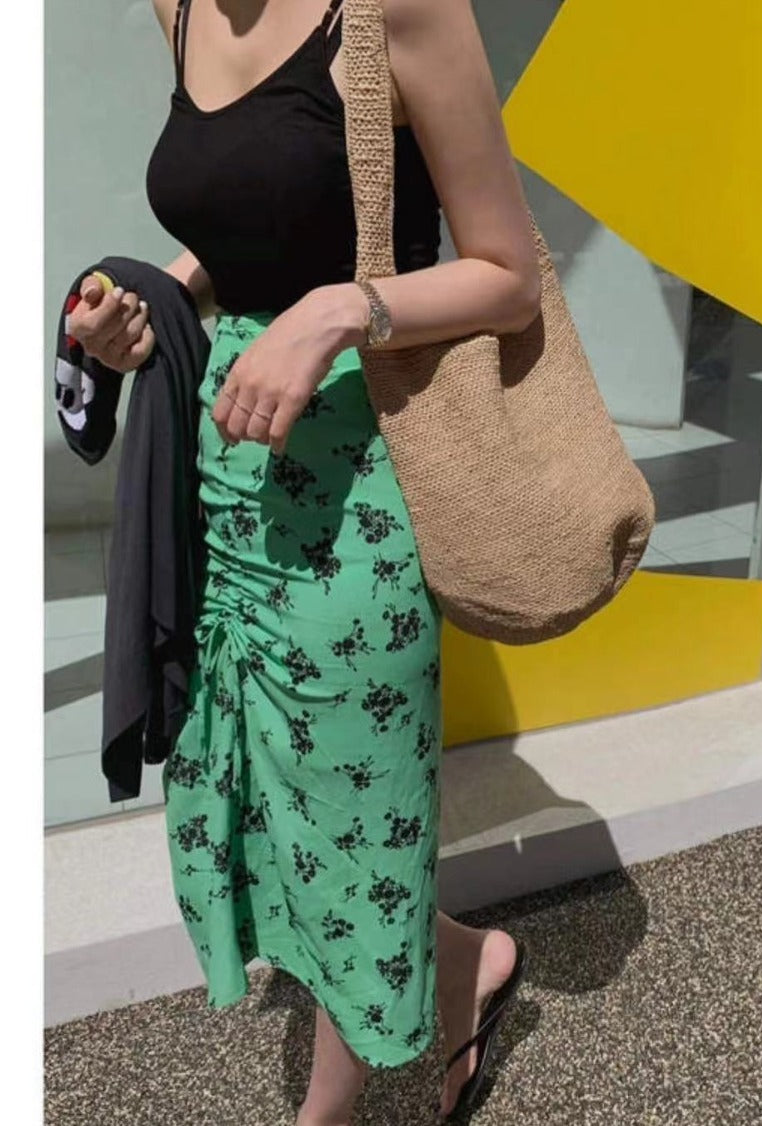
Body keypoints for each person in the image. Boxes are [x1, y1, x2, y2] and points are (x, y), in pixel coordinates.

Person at [63, 0, 540, 1120]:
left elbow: (508, 274)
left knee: (348, 799)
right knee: (271, 794)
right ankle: (465, 961)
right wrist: (155, 305)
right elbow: (254, 213)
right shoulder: (179, 6)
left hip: (366, 478)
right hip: (226, 473)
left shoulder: (395, 9)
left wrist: (336, 310)